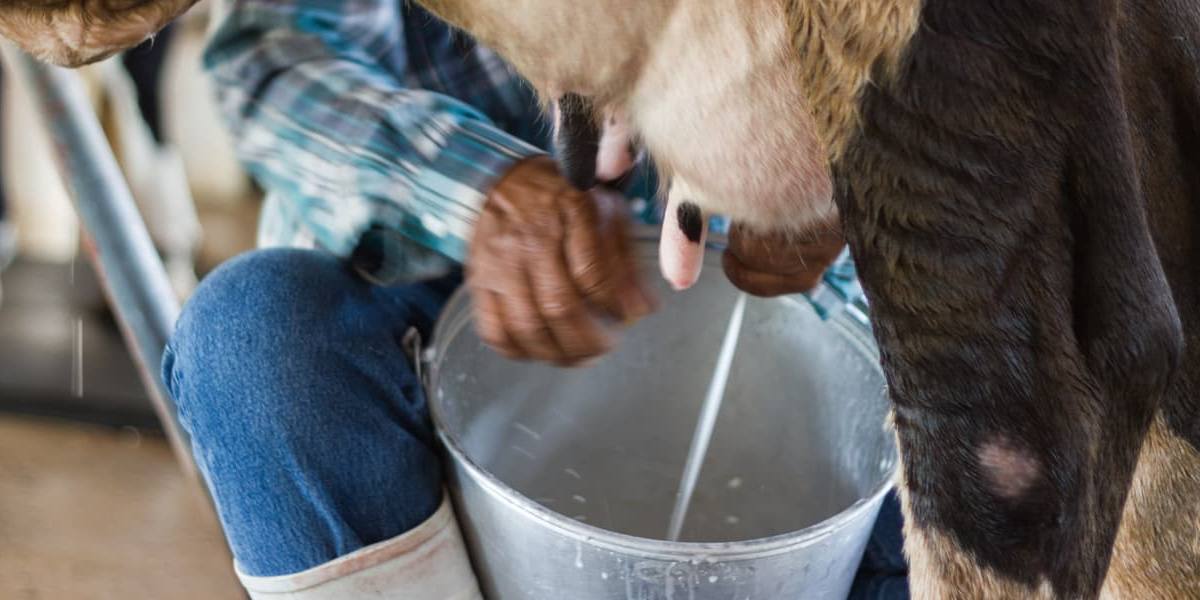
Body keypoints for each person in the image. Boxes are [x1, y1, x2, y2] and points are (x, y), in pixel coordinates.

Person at [0, 1, 906, 597]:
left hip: (762, 369)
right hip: (438, 337)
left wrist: (846, 185)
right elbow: (273, 59)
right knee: (252, 337)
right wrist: (479, 191)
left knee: (972, 437)